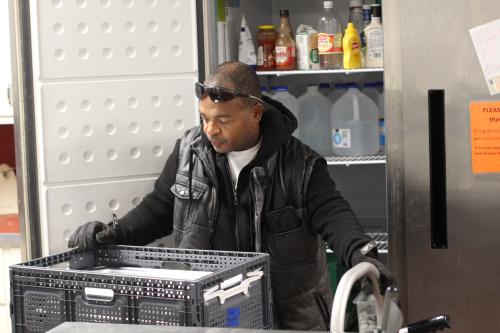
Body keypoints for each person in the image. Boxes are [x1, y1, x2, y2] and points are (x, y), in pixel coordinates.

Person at [68, 61, 395, 330]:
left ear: (255, 113)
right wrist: (113, 233)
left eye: (222, 120)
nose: (210, 130)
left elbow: (334, 215)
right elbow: (158, 210)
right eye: (204, 118)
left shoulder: (301, 165)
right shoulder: (188, 152)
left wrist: (362, 255)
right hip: (207, 313)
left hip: (287, 320)